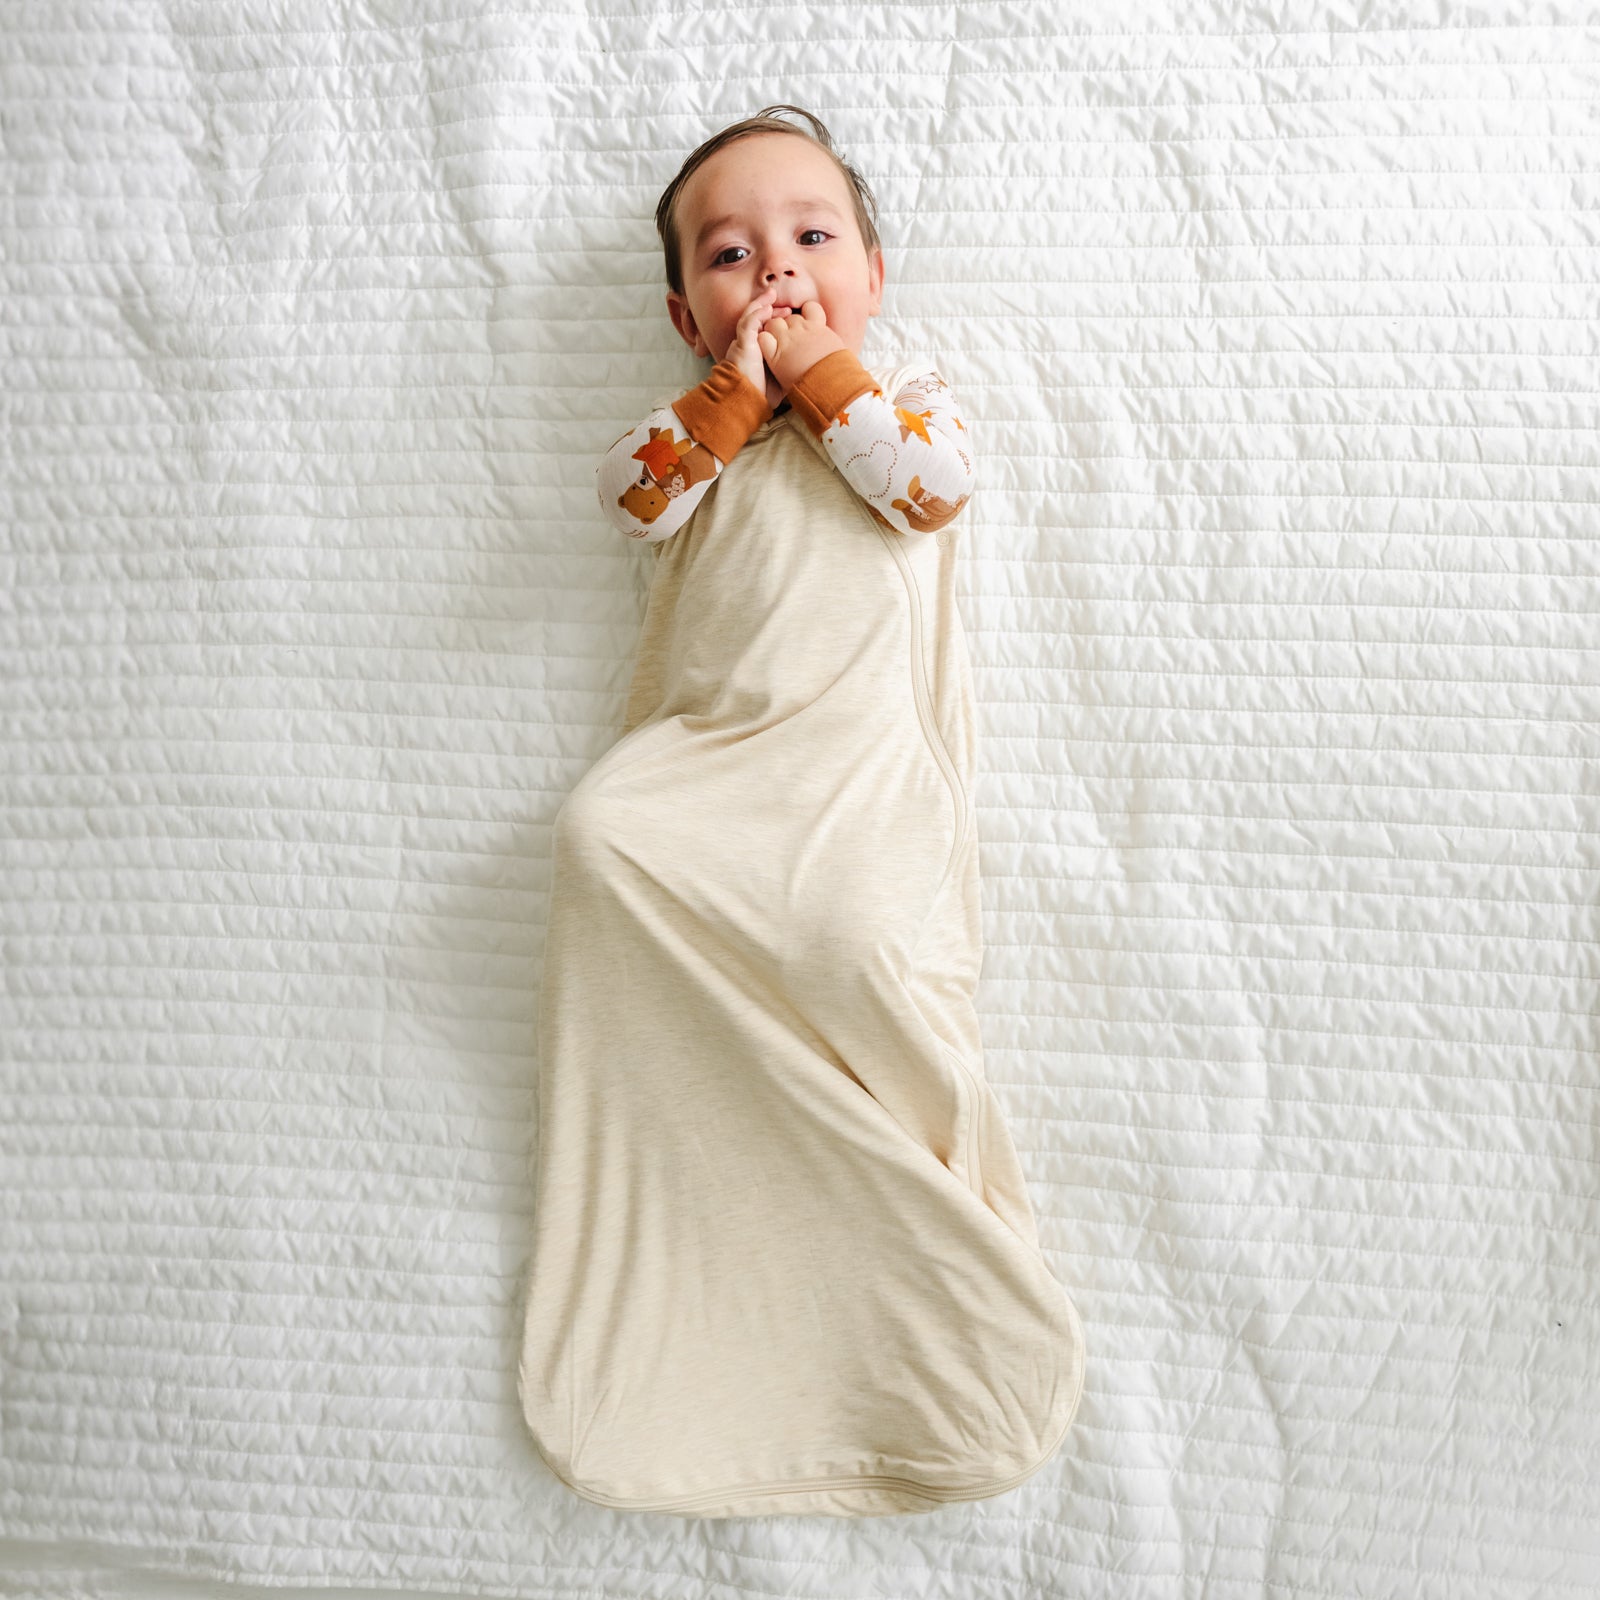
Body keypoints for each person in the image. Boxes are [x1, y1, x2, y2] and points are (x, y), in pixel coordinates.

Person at [518, 105, 1086, 1520]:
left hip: (854, 771)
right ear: (679, 309)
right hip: (712, 762)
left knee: (854, 950)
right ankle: (710, 1143)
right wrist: (732, 403)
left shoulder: (908, 409)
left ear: (873, 278)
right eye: (729, 254)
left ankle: (899, 1231)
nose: (773, 270)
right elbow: (627, 498)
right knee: (600, 831)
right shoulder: (698, 448)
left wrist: (822, 375)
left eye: (812, 239)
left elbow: (932, 493)